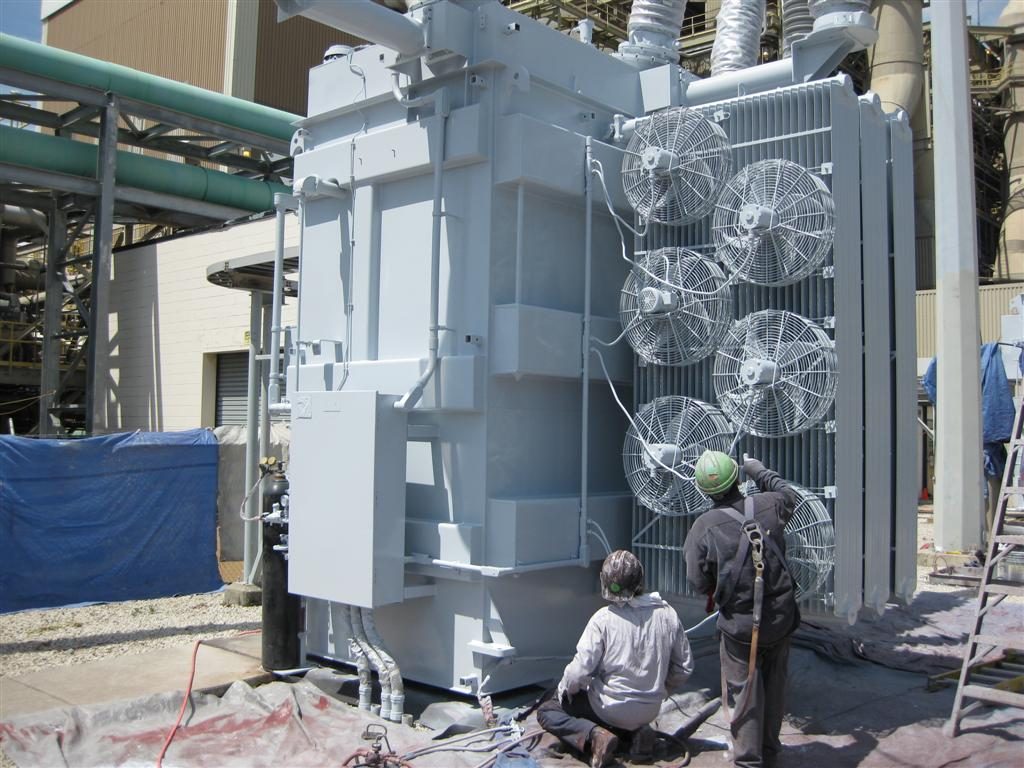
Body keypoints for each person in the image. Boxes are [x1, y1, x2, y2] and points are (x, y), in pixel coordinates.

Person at [683, 451, 800, 768]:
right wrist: (759, 470)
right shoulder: (770, 504)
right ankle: (771, 753)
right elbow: (790, 495)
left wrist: (721, 590)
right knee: (774, 689)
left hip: (740, 629)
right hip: (781, 619)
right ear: (737, 478)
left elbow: (697, 580)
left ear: (704, 491)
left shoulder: (703, 528)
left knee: (744, 692)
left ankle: (749, 761)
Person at [537, 550, 694, 767]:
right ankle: (639, 734)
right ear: (640, 579)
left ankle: (595, 736)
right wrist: (660, 690)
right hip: (650, 709)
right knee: (616, 714)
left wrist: (567, 692)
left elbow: (577, 673)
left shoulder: (603, 619)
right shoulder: (668, 615)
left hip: (609, 709)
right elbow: (684, 668)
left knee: (548, 708)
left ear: (605, 582)